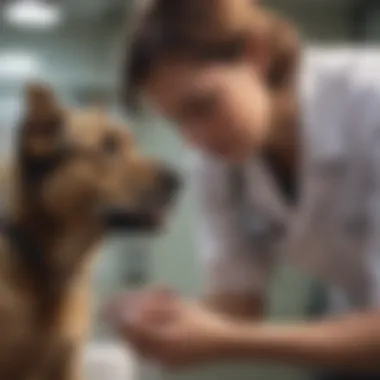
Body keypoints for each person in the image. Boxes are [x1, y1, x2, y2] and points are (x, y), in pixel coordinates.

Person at [107, 0, 380, 377]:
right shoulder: (221, 158)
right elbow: (237, 305)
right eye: (177, 123)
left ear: (256, 53)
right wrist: (164, 320)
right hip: (355, 323)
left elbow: (233, 332)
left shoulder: (370, 101)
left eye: (202, 106)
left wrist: (228, 339)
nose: (195, 140)